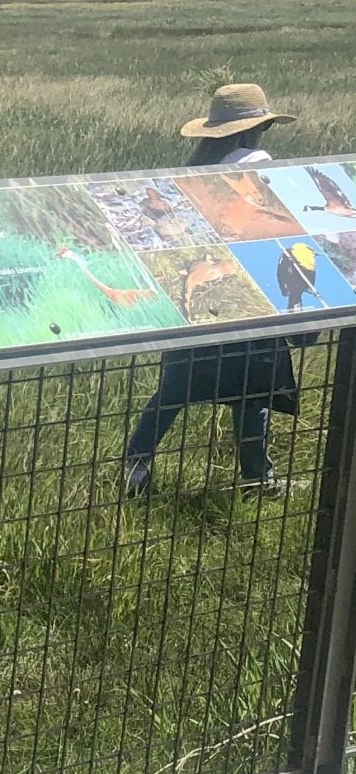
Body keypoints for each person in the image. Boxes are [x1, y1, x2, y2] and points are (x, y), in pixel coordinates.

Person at [122, 83, 300, 495]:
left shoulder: (196, 169)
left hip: (195, 296)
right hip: (247, 292)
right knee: (253, 390)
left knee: (173, 390)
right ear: (255, 130)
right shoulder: (259, 164)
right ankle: (259, 478)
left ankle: (137, 465)